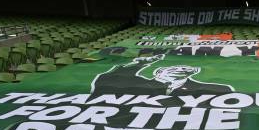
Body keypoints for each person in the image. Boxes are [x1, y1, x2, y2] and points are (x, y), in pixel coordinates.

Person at [91, 54, 232, 96]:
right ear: (158, 71)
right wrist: (141, 63)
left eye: (188, 68)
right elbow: (112, 78)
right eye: (174, 67)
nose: (182, 68)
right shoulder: (133, 82)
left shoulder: (218, 89)